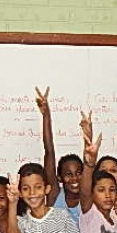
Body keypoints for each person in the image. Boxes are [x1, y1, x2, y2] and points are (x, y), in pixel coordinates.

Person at [36, 86, 84, 223]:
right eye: (68, 174)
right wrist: (46, 115)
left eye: (78, 173)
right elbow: (49, 151)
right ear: (59, 177)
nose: (74, 178)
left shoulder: (88, 197)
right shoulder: (55, 195)